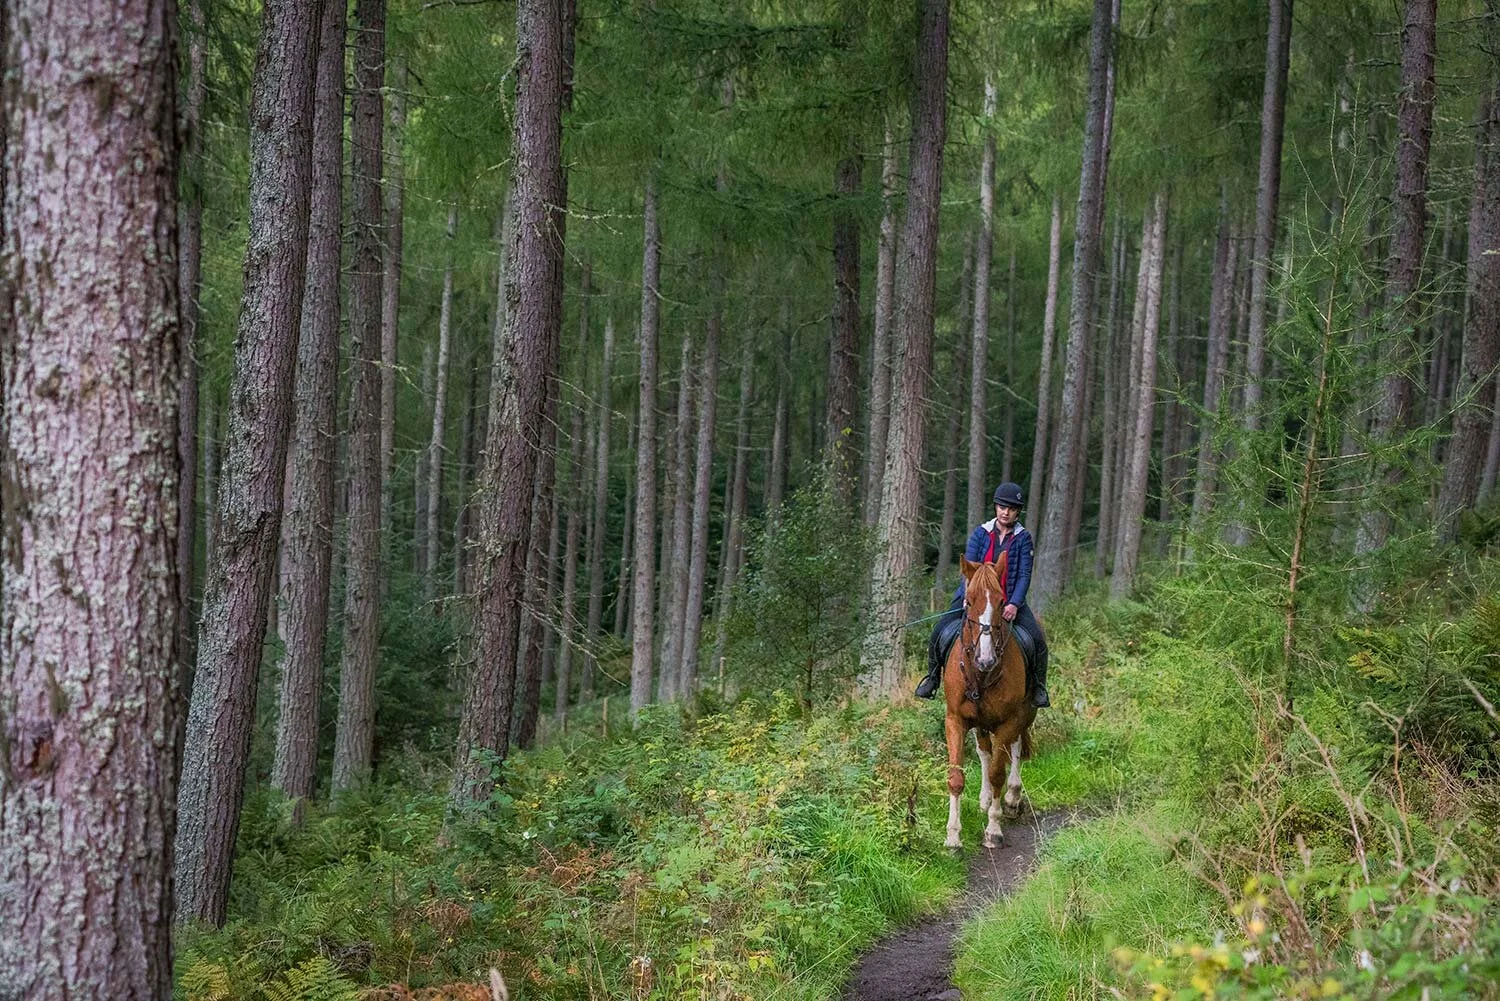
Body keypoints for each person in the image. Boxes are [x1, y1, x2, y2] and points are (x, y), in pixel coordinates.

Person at [914, 482, 1050, 707]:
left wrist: (1014, 604)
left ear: (1018, 512)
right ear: (996, 507)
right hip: (973, 597)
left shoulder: (1023, 538)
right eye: (1002, 507)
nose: (1005, 512)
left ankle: (1038, 687)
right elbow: (968, 568)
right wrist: (968, 597)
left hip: (1007, 601)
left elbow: (1024, 575)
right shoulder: (981, 533)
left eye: (1011, 508)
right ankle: (932, 679)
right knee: (939, 632)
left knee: (1036, 640)